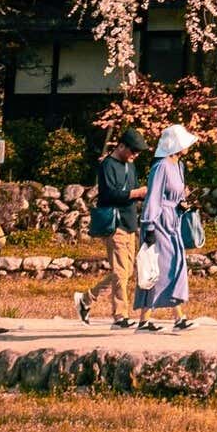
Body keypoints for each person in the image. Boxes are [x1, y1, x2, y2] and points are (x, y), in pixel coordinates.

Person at [77, 130, 150, 327]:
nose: (135, 155)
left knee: (126, 272)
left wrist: (143, 193)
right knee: (119, 271)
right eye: (133, 150)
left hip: (129, 222)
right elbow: (109, 194)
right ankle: (120, 316)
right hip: (114, 223)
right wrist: (135, 192)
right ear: (121, 146)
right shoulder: (108, 165)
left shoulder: (130, 166)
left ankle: (87, 299)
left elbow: (133, 191)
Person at [131, 124, 198, 332]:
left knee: (176, 265)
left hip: (173, 220)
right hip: (159, 222)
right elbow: (153, 197)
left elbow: (176, 195)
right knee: (159, 268)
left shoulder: (179, 165)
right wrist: (149, 226)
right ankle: (147, 319)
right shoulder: (161, 167)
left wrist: (182, 204)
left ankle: (177, 317)